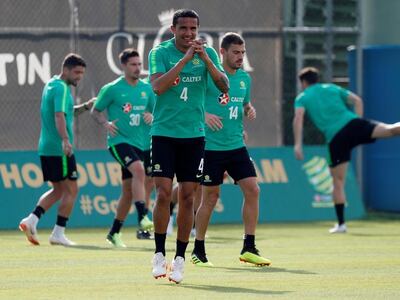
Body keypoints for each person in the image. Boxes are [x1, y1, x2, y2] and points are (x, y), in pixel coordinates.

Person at [148, 9, 229, 283]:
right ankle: (159, 253)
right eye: (183, 29)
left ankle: (180, 258)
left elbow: (223, 85)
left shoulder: (208, 54)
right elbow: (158, 86)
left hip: (194, 136)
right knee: (161, 194)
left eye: (193, 29)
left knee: (188, 196)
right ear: (173, 29)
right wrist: (185, 60)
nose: (189, 34)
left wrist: (205, 58)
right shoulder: (160, 53)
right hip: (163, 133)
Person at [190, 33, 271, 267]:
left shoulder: (244, 79)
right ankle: (199, 249)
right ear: (222, 52)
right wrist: (205, 115)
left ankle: (249, 247)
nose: (240, 57)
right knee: (211, 198)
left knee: (253, 190)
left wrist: (249, 109)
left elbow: (243, 102)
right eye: (236, 52)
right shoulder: (208, 76)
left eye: (243, 53)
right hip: (210, 149)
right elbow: (191, 103)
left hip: (236, 146)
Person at [293, 67, 400, 233]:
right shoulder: (331, 87)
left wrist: (298, 144)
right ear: (316, 79)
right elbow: (357, 100)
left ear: (303, 83)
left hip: (336, 139)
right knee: (391, 129)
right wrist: (358, 122)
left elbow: (298, 118)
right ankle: (340, 225)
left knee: (338, 182)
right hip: (353, 125)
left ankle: (341, 225)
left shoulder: (303, 97)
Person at [19, 53, 92, 246]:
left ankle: (32, 220)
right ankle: (58, 233)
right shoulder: (61, 88)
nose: (79, 76)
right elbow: (59, 116)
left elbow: (65, 112)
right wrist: (66, 140)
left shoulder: (52, 84)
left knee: (59, 189)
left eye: (82, 73)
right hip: (60, 148)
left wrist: (85, 107)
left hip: (47, 147)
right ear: (65, 69)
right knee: (71, 189)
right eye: (76, 72)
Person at [91, 48, 155, 246]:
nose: (137, 68)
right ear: (124, 66)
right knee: (138, 170)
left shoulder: (147, 89)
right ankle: (143, 217)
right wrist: (106, 124)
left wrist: (152, 117)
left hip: (143, 143)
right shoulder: (112, 88)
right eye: (133, 65)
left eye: (139, 64)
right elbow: (96, 111)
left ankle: (114, 233)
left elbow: (156, 111)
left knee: (129, 190)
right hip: (119, 141)